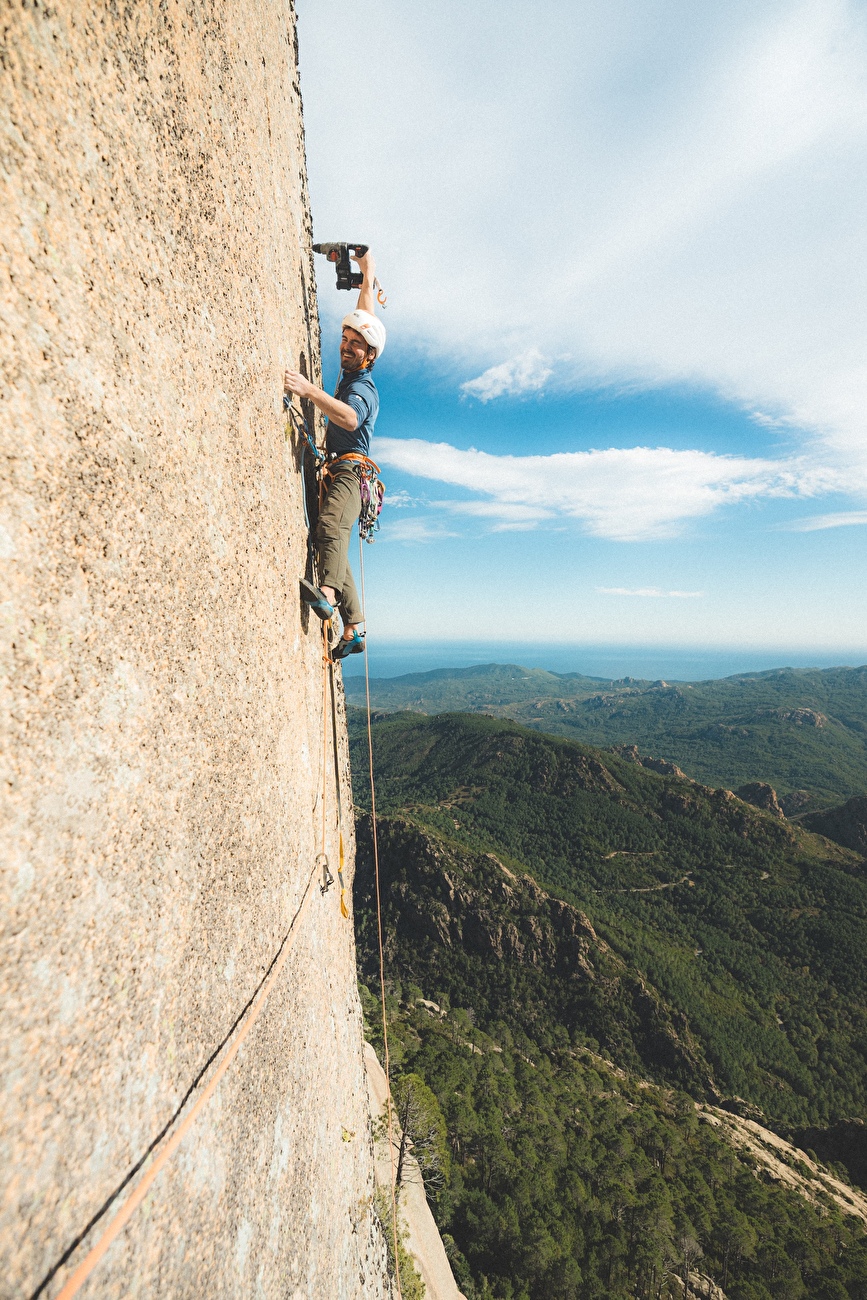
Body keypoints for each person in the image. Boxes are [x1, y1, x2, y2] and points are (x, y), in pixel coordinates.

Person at [284, 249, 385, 660]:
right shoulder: (353, 371)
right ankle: (355, 629)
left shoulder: (362, 390)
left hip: (350, 474)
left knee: (329, 528)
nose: (346, 347)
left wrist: (308, 390)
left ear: (369, 355)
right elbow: (367, 321)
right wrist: (368, 275)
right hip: (344, 472)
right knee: (336, 546)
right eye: (344, 340)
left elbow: (348, 419)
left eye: (354, 345)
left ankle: (327, 596)